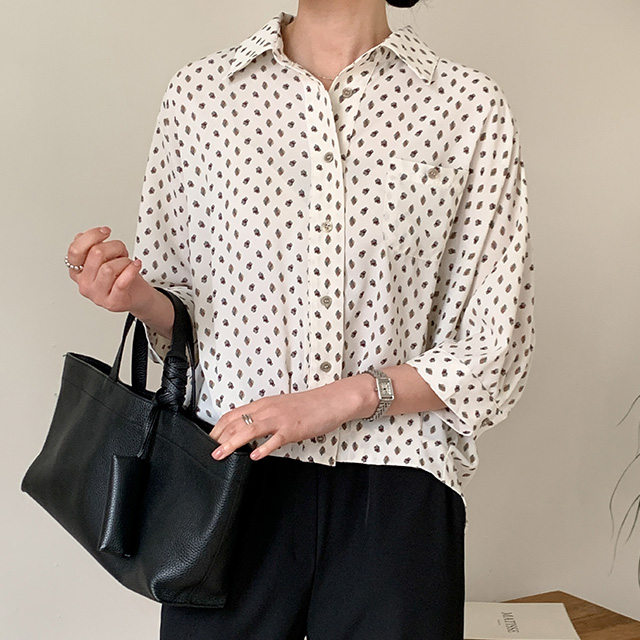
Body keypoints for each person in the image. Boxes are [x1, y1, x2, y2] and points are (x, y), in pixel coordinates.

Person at [65, 0, 536, 638]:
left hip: (397, 484)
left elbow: (495, 348)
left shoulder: (468, 106)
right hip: (228, 476)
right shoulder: (202, 96)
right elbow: (186, 315)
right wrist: (136, 297)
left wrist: (332, 402)